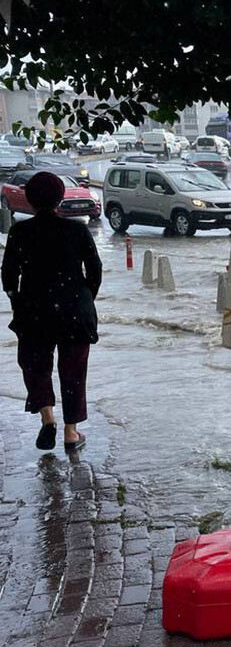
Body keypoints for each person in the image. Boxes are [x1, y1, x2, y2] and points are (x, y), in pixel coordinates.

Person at [1, 171, 101, 452]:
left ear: (30, 200)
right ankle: (71, 433)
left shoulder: (20, 232)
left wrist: (16, 301)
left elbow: (8, 273)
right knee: (73, 372)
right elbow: (95, 270)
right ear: (60, 198)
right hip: (74, 312)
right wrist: (84, 299)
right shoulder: (77, 230)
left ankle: (47, 418)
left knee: (36, 367)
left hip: (34, 311)